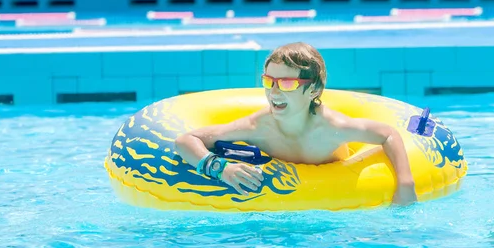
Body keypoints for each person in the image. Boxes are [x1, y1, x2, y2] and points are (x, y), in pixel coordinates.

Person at [174, 42, 418, 205]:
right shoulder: (257, 127)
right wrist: (221, 168)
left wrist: (405, 182)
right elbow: (186, 140)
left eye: (287, 83)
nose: (275, 92)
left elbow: (388, 134)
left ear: (314, 89)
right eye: (269, 81)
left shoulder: (333, 127)